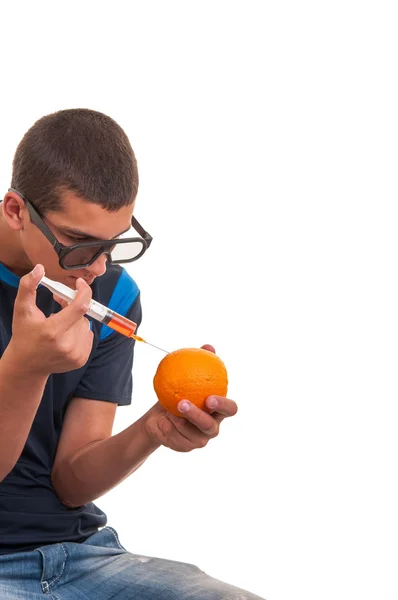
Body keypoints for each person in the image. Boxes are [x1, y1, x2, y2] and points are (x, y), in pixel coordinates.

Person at [0, 108, 264, 599]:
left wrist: (152, 429)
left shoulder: (114, 298)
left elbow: (71, 483)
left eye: (114, 242)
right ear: (16, 211)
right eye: (79, 242)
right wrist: (26, 368)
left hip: (80, 557)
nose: (97, 267)